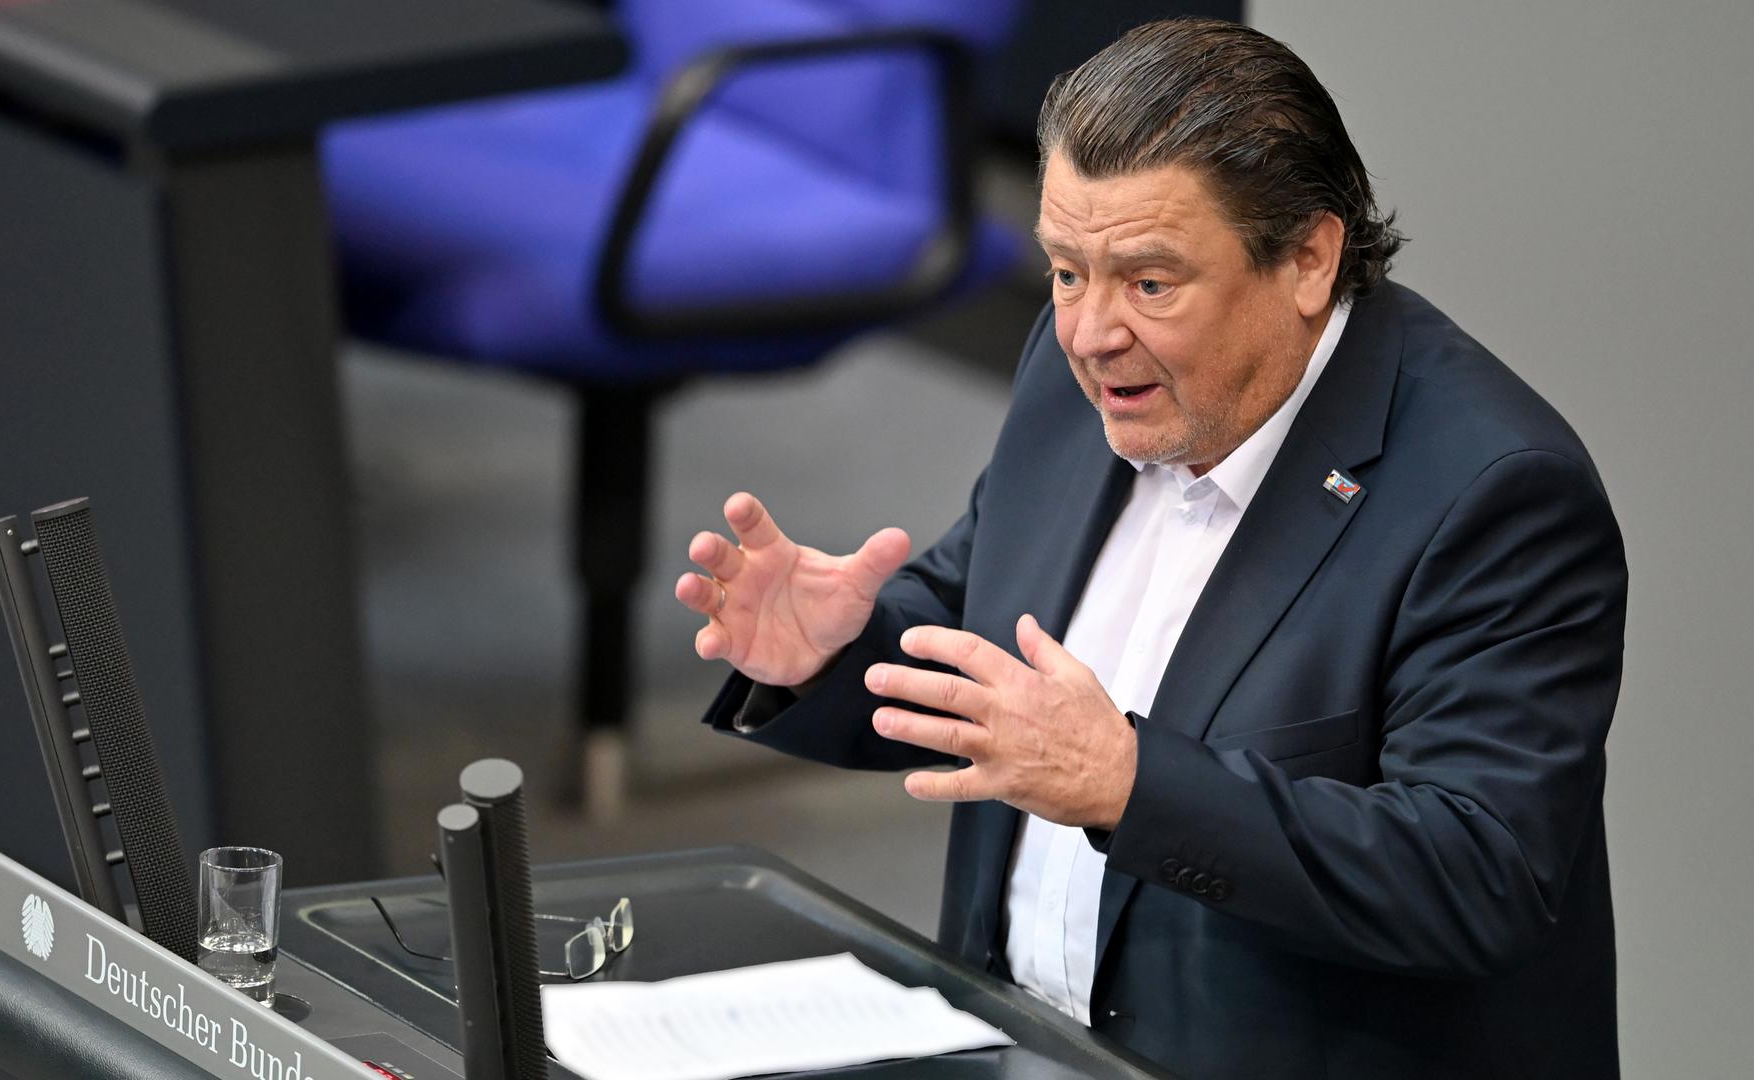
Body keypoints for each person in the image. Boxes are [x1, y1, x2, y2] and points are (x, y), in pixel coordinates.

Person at [672, 18, 1625, 1080]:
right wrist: (836, 652)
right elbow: (998, 642)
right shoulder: (1080, 370)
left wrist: (1130, 784)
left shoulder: (1494, 495)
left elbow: (1477, 876)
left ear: (1310, 258)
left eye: (1149, 283)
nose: (1090, 331)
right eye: (1066, 271)